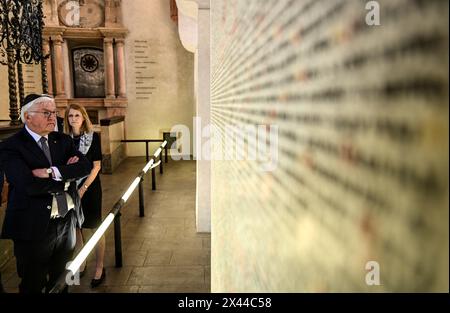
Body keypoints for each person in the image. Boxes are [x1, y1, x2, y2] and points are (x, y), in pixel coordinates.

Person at [0, 94, 91, 293]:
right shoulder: (11, 146)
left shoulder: (62, 140)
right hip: (33, 225)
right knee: (33, 282)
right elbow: (27, 185)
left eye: (54, 112)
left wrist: (52, 172)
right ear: (27, 117)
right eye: (46, 113)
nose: (53, 117)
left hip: (66, 222)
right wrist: (66, 180)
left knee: (62, 279)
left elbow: (85, 166)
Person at [64, 103, 105, 288]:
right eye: (70, 116)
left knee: (95, 226)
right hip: (70, 188)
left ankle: (100, 266)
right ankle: (81, 260)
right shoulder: (63, 140)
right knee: (76, 227)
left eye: (77, 116)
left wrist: (83, 188)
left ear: (83, 118)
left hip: (90, 187)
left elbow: (96, 166)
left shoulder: (92, 137)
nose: (73, 119)